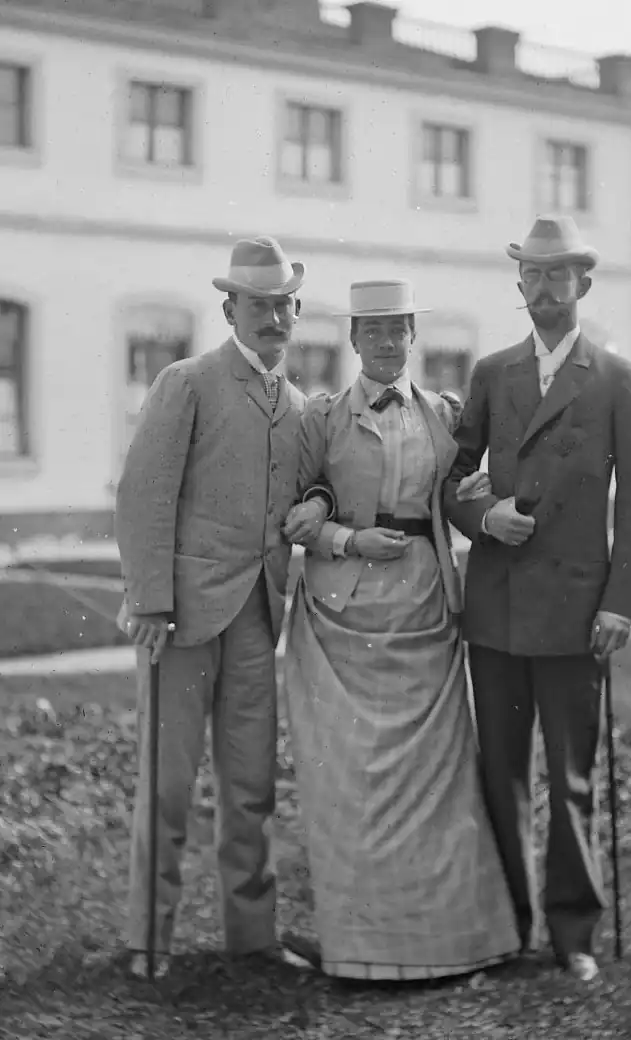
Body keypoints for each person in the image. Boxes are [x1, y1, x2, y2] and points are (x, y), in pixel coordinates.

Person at [281, 279, 520, 981]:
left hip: (425, 608)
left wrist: (490, 504)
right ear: (354, 338)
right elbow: (295, 513)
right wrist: (347, 539)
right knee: (352, 783)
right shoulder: (322, 418)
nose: (387, 341)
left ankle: (448, 945)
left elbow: (465, 490)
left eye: (398, 328)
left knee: (434, 784)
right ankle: (362, 948)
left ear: (414, 336)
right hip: (341, 616)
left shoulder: (446, 415)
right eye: (373, 329)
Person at [445, 216, 631, 983]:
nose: (543, 287)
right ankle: (510, 926)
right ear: (519, 284)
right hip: (497, 609)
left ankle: (573, 933)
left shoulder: (614, 378)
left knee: (570, 781)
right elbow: (452, 478)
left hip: (575, 612)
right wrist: (482, 516)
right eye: (532, 274)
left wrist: (621, 603)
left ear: (582, 284)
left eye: (557, 273)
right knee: (500, 774)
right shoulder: (491, 373)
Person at [115, 236, 331, 978]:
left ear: (296, 312)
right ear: (230, 309)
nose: (274, 317)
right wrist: (150, 601)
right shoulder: (188, 382)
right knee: (167, 784)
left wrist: (318, 502)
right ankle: (149, 940)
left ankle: (253, 937)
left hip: (256, 616)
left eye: (285, 305)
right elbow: (144, 494)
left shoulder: (298, 406)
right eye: (258, 304)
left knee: (251, 784)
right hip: (178, 617)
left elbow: (315, 484)